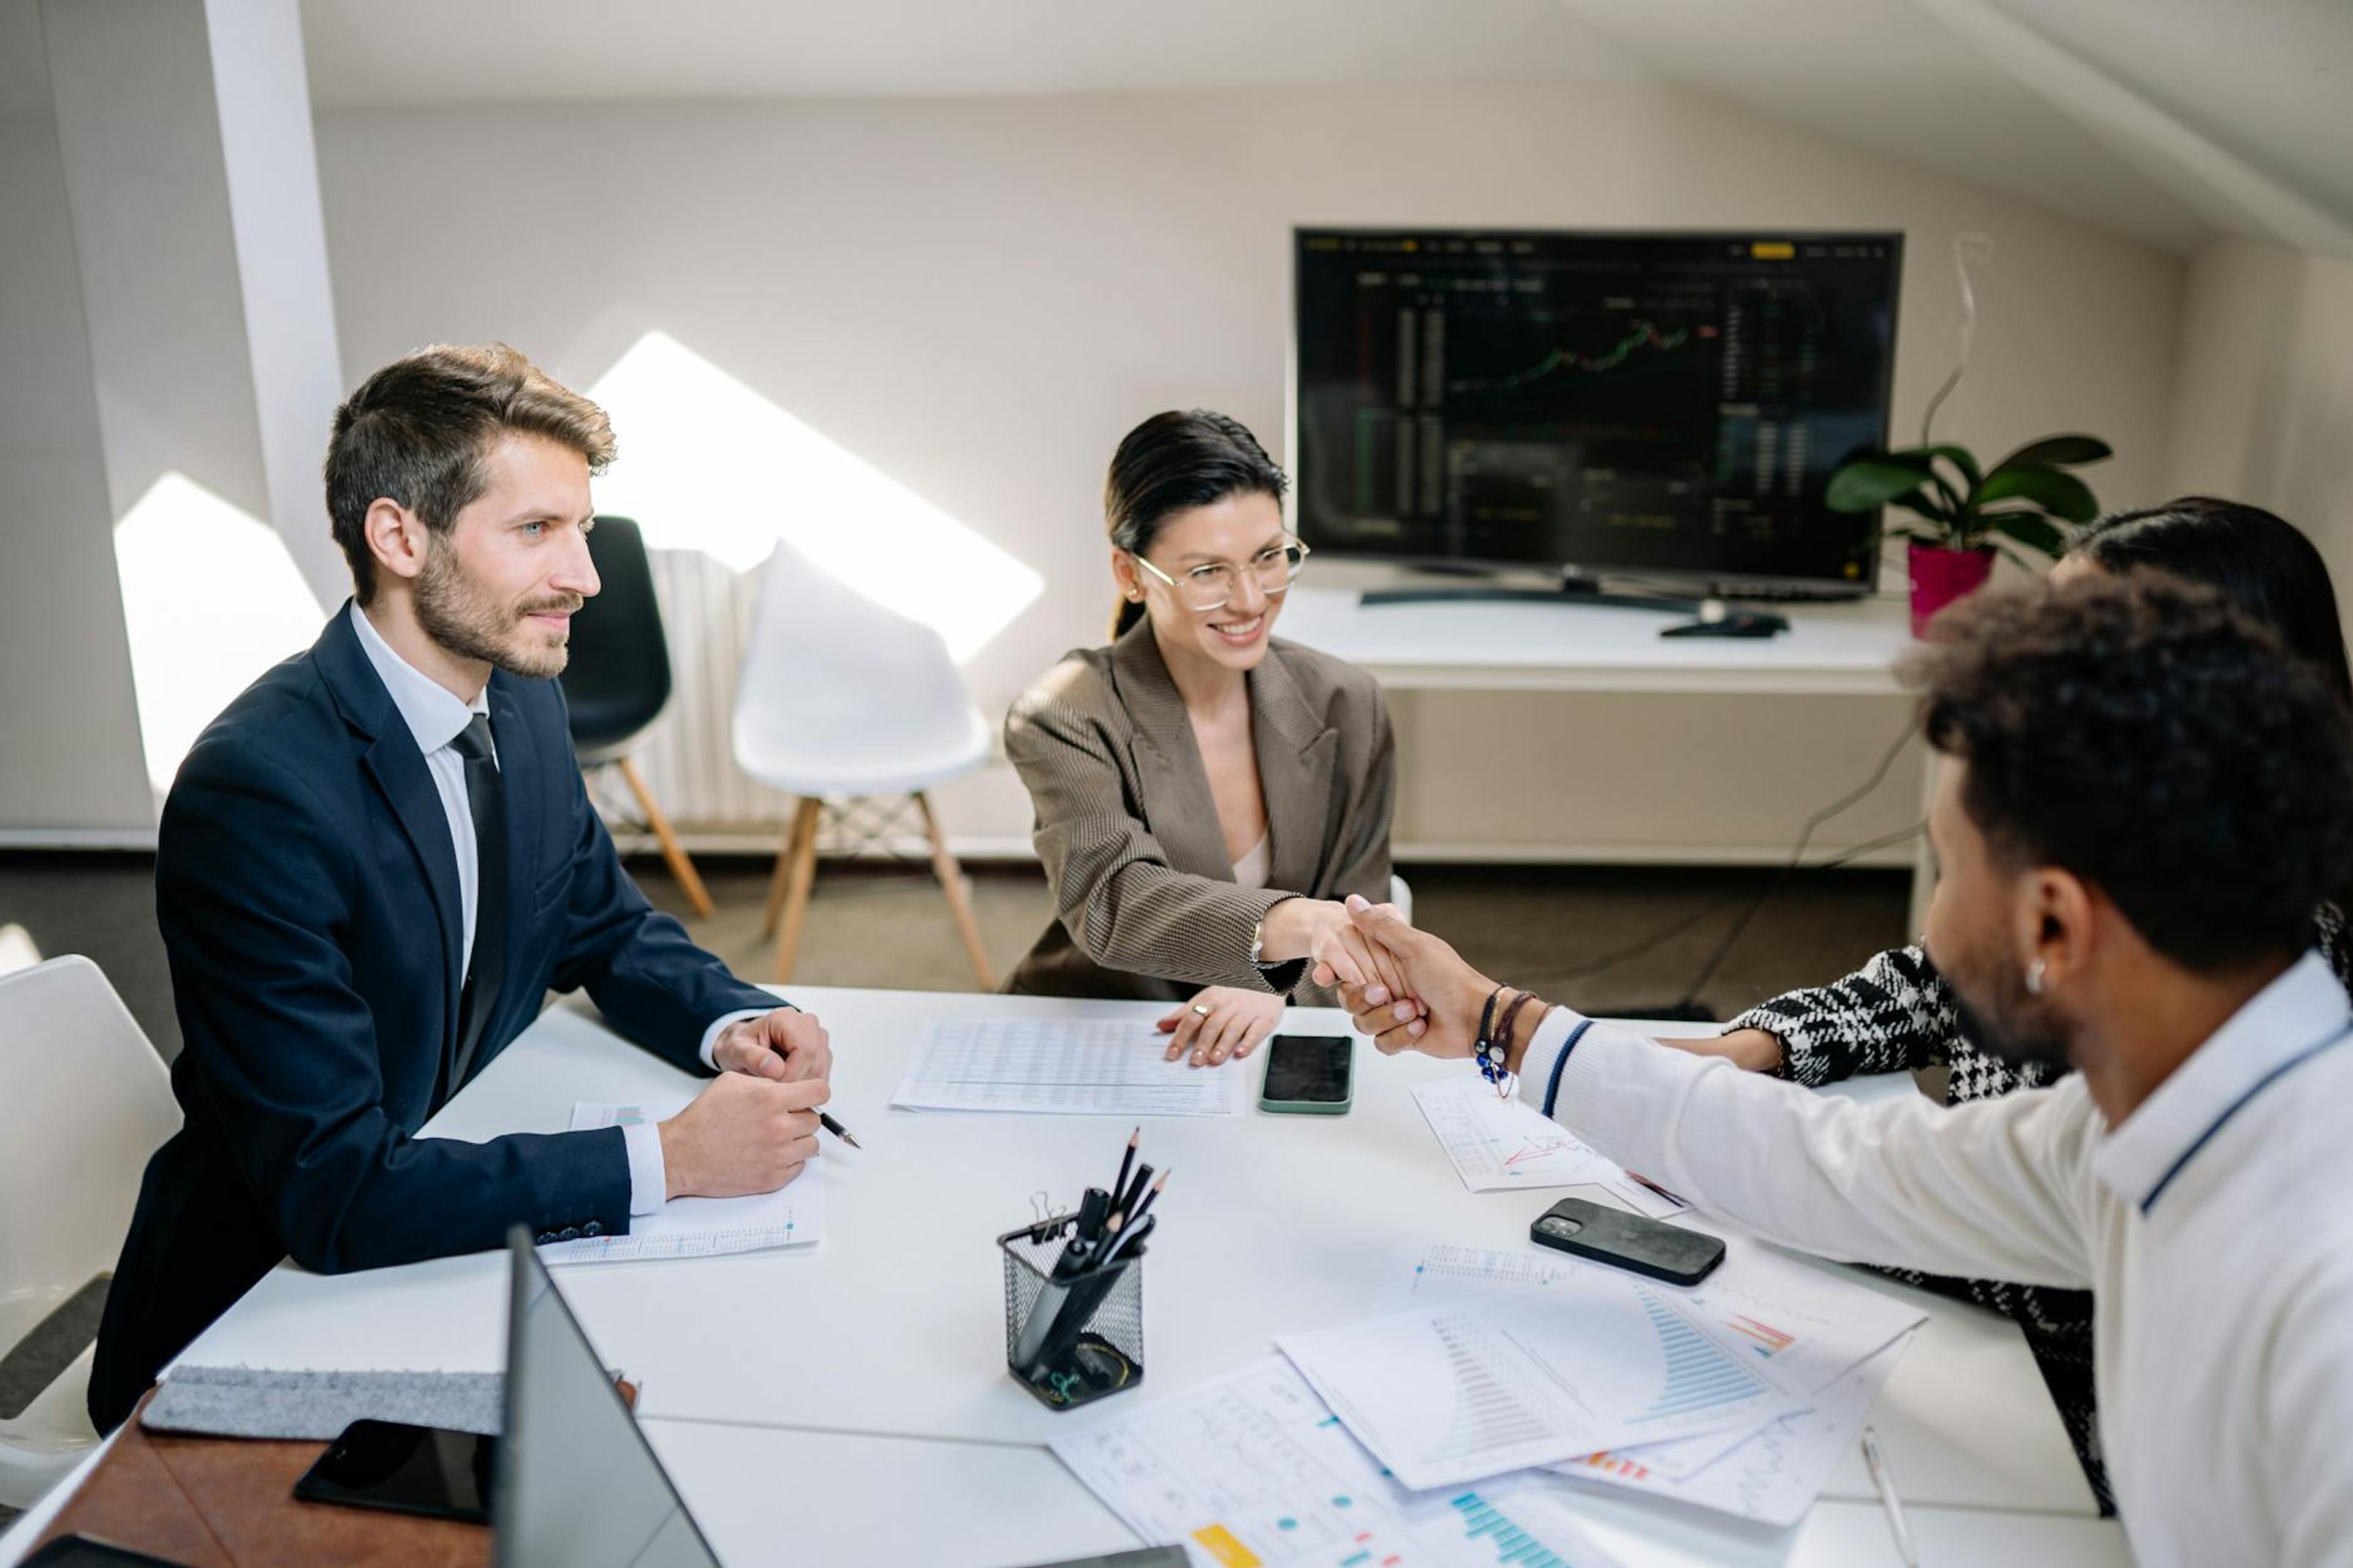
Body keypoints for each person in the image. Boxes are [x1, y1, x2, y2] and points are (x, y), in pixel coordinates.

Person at [1337, 575, 2353, 1567]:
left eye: (1947, 865)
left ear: (2054, 921)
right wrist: (1493, 1017)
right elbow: (1835, 1164)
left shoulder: (2322, 1299)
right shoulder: (2141, 1115)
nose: (1932, 919)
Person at [91, 345, 833, 1433]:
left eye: (580, 528)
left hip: (447, 1242)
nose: (585, 575)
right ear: (399, 537)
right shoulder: (259, 788)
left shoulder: (521, 695)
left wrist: (734, 1020)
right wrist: (671, 1157)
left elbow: (602, 923)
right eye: (537, 530)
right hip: (261, 1316)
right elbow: (335, 1191)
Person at [1680, 497, 2353, 1509]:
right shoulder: (2193, 1020)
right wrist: (1753, 1049)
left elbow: (1960, 1209)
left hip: (2047, 1432)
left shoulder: (2293, 1277)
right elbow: (1917, 1052)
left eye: (2079, 654)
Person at [1001, 410, 1403, 1068]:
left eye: (1270, 557)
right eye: (1208, 571)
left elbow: (1363, 907)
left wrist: (1279, 985)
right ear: (1130, 575)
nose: (1250, 600)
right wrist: (1293, 932)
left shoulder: (1347, 702)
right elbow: (1116, 900)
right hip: (1112, 1032)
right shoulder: (1067, 712)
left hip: (1271, 1039)